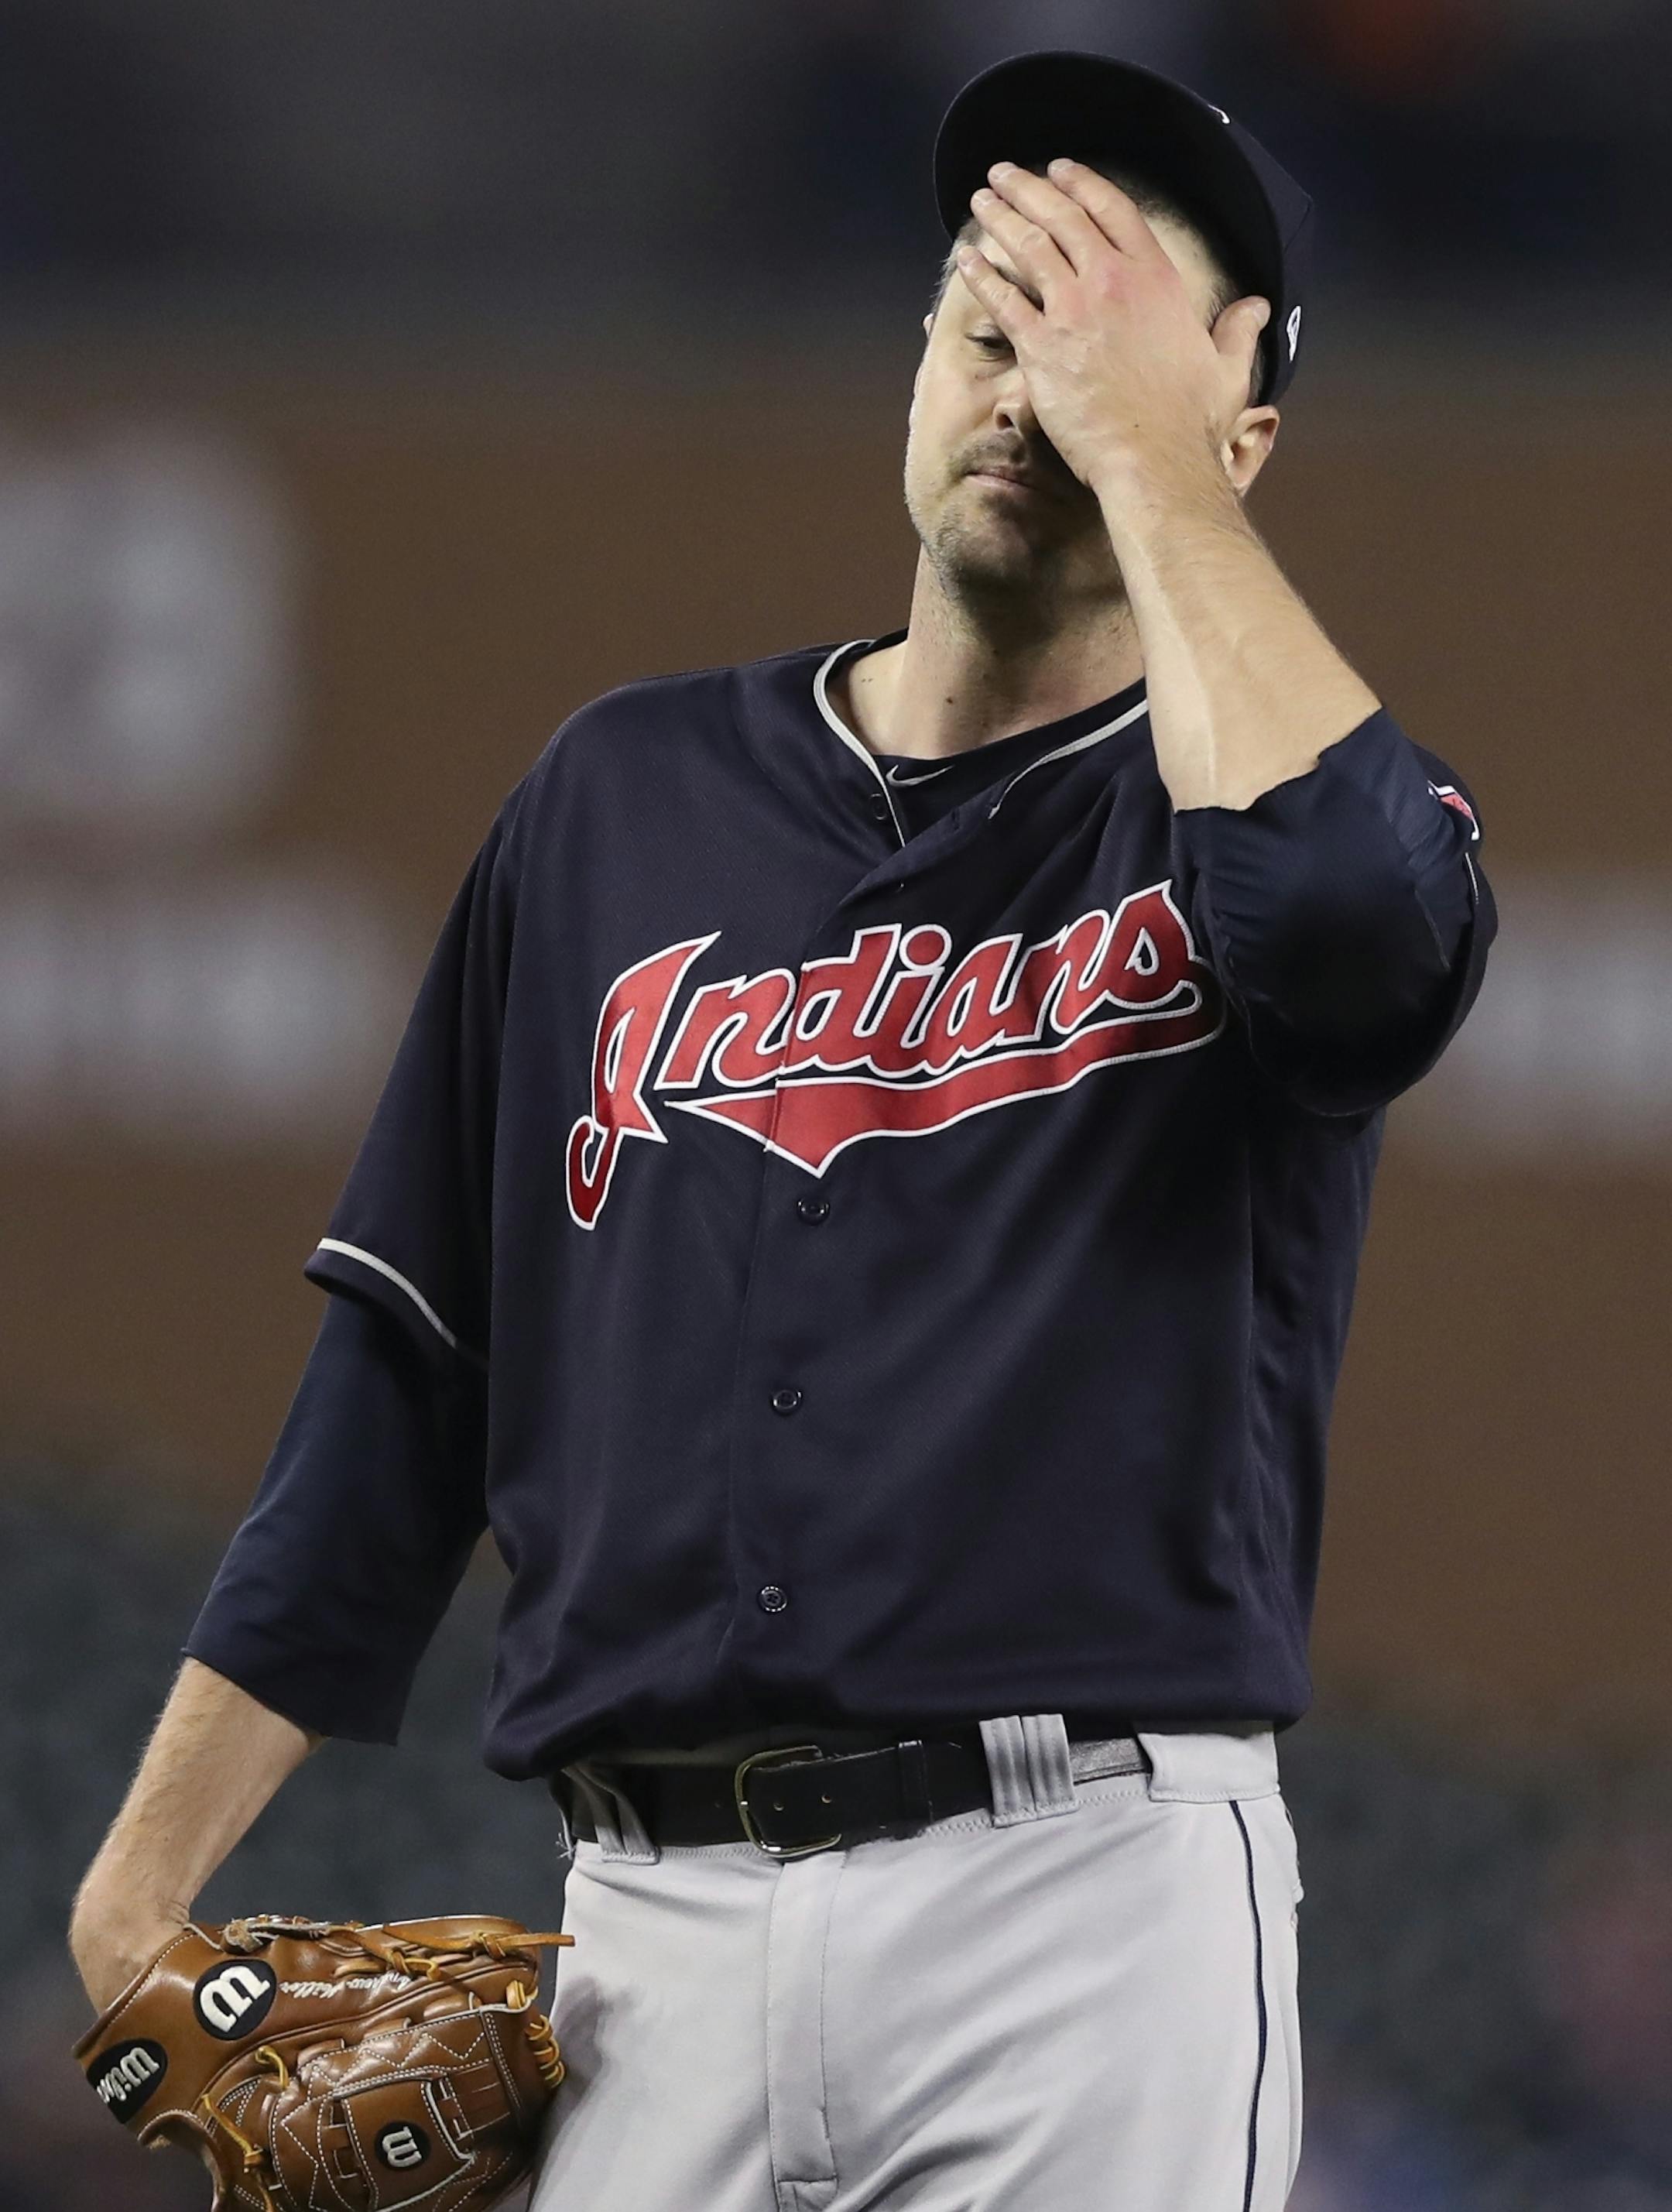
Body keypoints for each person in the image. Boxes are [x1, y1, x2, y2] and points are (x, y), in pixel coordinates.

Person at [70, 50, 1495, 2212]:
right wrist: (137, 1887)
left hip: (1081, 1906)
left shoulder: (1255, 826)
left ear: (1241, 436)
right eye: (991, 324)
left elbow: (1366, 936)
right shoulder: (614, 802)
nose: (1031, 388)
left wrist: (1153, 455)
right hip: (645, 1938)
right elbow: (411, 1373)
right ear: (913, 363)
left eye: (1098, 347)